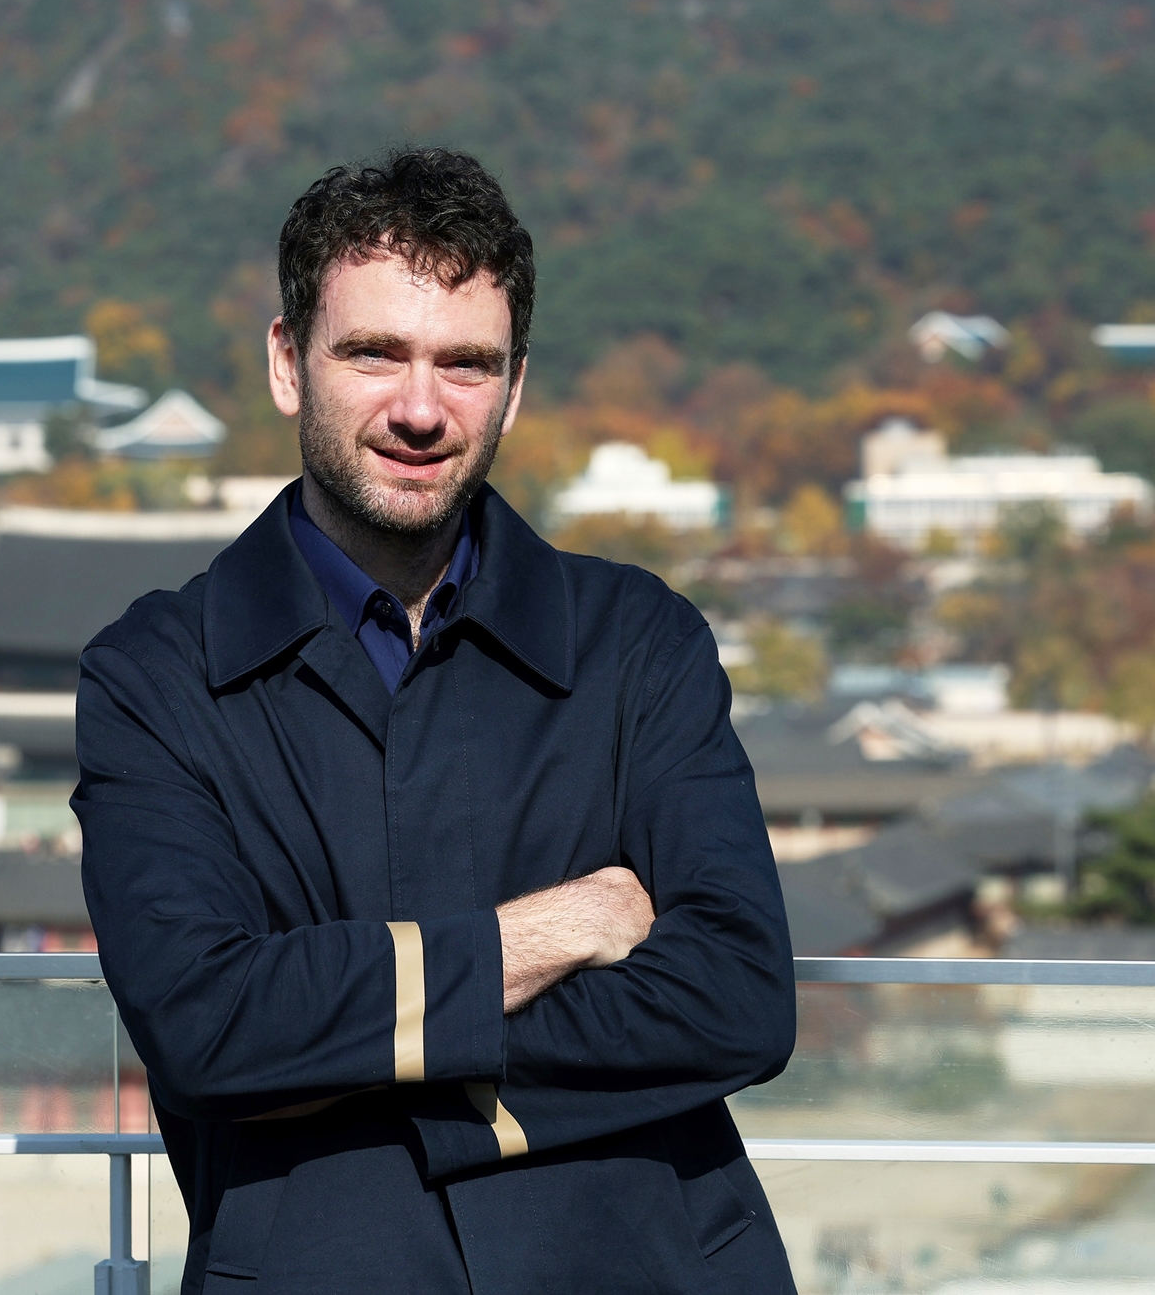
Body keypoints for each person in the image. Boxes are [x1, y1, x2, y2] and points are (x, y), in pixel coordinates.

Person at [74, 146, 797, 1293]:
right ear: (286, 362)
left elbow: (739, 995)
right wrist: (553, 933)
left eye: (465, 365)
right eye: (372, 352)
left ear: (513, 387)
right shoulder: (156, 675)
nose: (419, 408)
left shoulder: (637, 641)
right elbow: (204, 1023)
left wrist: (351, 1046)